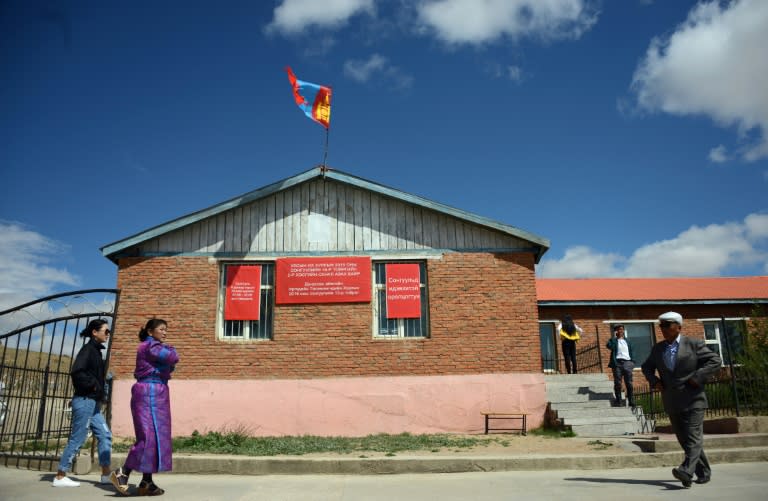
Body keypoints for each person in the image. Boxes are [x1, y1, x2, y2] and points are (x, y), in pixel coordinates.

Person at [641, 312, 721, 488]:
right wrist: (655, 382)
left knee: (693, 437)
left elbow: (715, 360)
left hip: (694, 399)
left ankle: (686, 471)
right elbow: (646, 367)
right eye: (661, 326)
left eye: (667, 325)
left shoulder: (693, 344)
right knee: (684, 439)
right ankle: (703, 472)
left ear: (679, 327)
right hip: (672, 400)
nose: (663, 329)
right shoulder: (658, 349)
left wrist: (698, 377)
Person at [111, 318, 179, 496]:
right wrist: (171, 351)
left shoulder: (156, 348)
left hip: (158, 392)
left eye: (166, 329)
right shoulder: (149, 347)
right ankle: (122, 473)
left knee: (156, 437)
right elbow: (172, 358)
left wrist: (168, 360)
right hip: (148, 391)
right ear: (150, 332)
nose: (165, 332)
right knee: (147, 436)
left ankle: (146, 482)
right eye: (161, 329)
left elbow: (170, 366)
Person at [52, 319, 113, 487]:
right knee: (78, 439)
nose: (108, 334)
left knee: (105, 435)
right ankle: (60, 475)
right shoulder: (88, 350)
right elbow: (77, 372)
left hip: (93, 404)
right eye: (105, 331)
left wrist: (99, 391)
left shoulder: (96, 351)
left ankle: (106, 475)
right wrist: (93, 387)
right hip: (86, 401)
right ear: (95, 332)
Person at [606, 324, 635, 407]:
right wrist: (613, 338)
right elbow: (609, 346)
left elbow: (632, 351)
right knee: (618, 383)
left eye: (621, 329)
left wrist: (632, 362)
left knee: (629, 383)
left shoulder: (628, 341)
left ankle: (631, 400)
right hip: (617, 363)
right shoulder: (614, 341)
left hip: (627, 363)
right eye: (618, 329)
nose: (620, 331)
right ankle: (618, 400)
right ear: (616, 331)